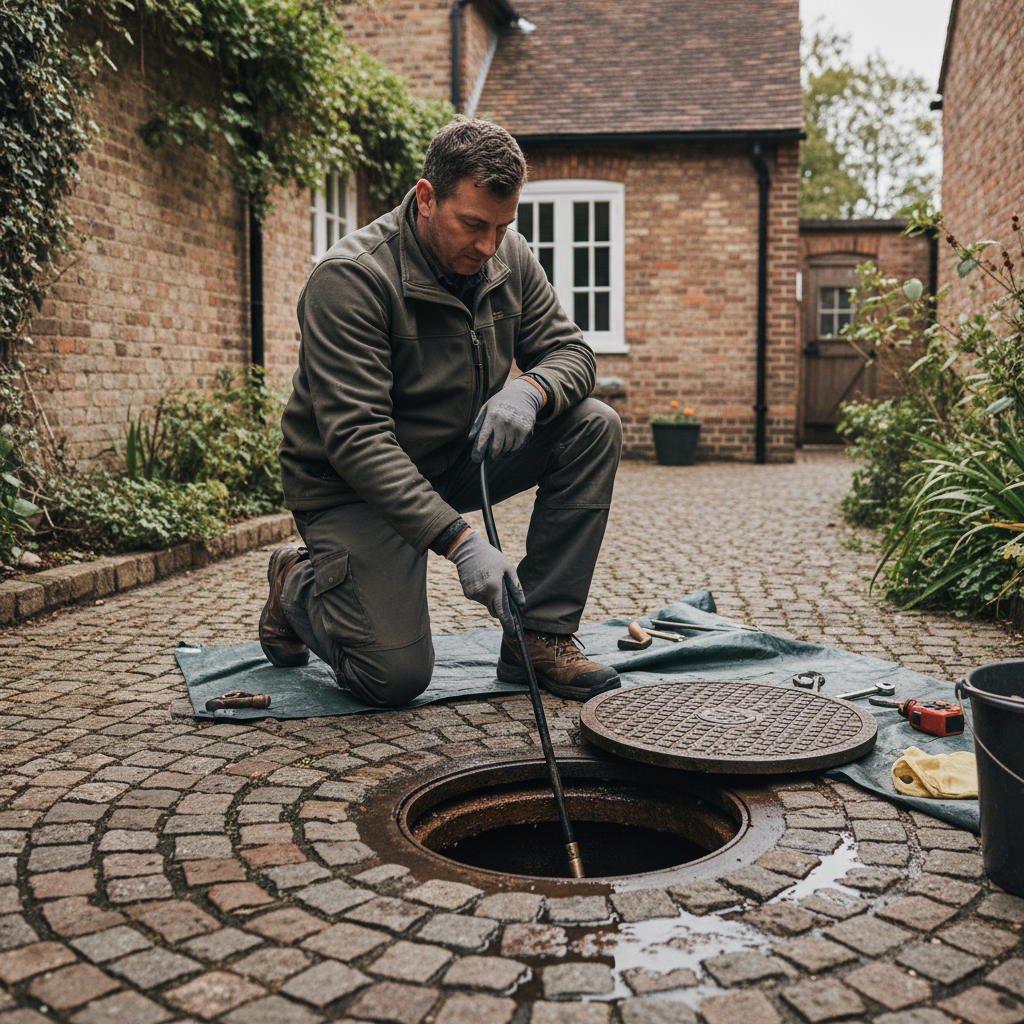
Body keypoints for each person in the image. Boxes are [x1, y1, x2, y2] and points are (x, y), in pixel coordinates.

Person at [259, 117, 622, 708]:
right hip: (351, 488)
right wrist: (460, 541)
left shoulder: (508, 257)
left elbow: (572, 353)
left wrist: (532, 390)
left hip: (454, 458)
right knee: (393, 678)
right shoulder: (351, 279)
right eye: (473, 225)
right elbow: (357, 439)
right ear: (426, 198)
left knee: (593, 425)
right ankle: (296, 582)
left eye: (503, 227)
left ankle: (537, 637)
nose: (488, 247)